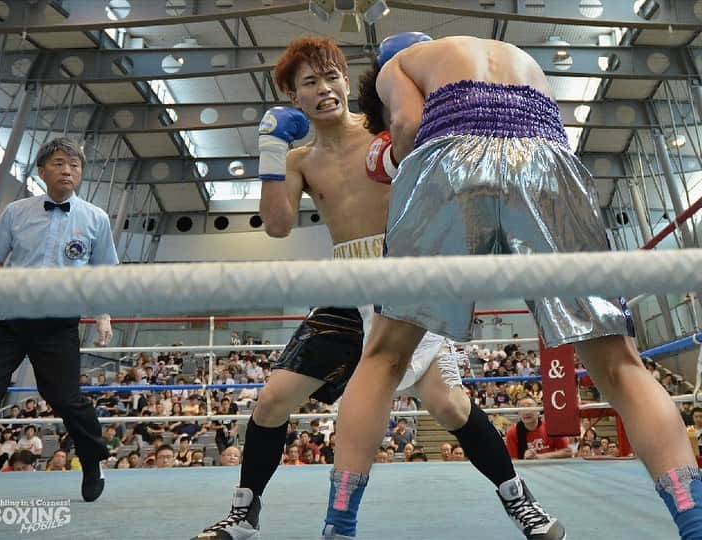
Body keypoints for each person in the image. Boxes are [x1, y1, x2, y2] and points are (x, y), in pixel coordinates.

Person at [328, 31, 702, 540]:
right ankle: (693, 518)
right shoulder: (516, 55)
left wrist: (393, 160)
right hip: (550, 165)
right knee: (619, 365)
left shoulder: (402, 65)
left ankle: (339, 524)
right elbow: (554, 137)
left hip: (449, 158)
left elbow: (408, 123)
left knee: (384, 358)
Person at [192, 36, 562, 540]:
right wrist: (270, 149)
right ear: (293, 97)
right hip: (347, 288)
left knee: (450, 406)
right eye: (310, 83)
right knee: (272, 400)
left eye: (331, 76)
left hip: (406, 279)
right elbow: (277, 226)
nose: (325, 89)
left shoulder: (384, 128)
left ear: (347, 80)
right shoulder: (300, 160)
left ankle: (522, 503)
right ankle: (244, 511)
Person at [0, 137, 118, 511]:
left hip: (58, 322)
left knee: (64, 398)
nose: (67, 171)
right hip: (9, 318)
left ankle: (92, 461)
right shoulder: (15, 212)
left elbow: (103, 274)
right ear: (42, 171)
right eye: (59, 163)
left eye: (74, 165)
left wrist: (103, 316)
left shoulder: (95, 218)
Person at [505, 397, 572, 460]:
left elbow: (568, 452)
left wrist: (540, 457)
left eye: (529, 406)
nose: (526, 412)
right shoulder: (512, 432)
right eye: (522, 408)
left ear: (538, 411)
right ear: (518, 414)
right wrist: (524, 458)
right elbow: (513, 460)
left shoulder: (552, 426)